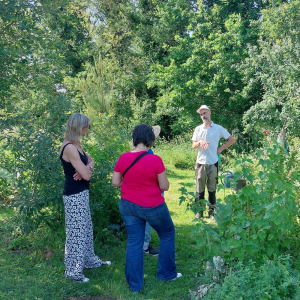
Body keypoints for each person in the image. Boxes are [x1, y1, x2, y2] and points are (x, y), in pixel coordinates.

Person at [112, 124, 181, 292]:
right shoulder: (155, 159)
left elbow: (115, 182)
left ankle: (135, 286)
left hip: (128, 205)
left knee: (135, 241)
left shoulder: (123, 158)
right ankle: (166, 274)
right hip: (152, 206)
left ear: (134, 139)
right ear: (150, 140)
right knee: (167, 233)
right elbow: (164, 186)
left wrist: (128, 184)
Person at [59, 113, 111, 283]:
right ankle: (73, 271)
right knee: (76, 233)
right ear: (79, 127)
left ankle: (89, 261)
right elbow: (87, 176)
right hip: (74, 195)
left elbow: (91, 163)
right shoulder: (69, 148)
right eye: (87, 126)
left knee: (86, 229)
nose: (88, 129)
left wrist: (86, 167)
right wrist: (86, 171)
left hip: (81, 193)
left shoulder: (77, 145)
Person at [192, 105, 235, 219]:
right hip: (200, 163)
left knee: (212, 188)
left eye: (205, 113)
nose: (203, 116)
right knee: (199, 189)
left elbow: (231, 140)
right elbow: (193, 146)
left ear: (210, 113)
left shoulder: (218, 128)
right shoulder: (198, 129)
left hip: (213, 162)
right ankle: (199, 211)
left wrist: (220, 149)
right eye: (201, 114)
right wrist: (200, 142)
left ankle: (212, 211)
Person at [143, 125, 161, 256]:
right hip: (149, 192)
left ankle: (142, 243)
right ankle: (144, 245)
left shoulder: (133, 152)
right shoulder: (149, 154)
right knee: (147, 219)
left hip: (136, 193)